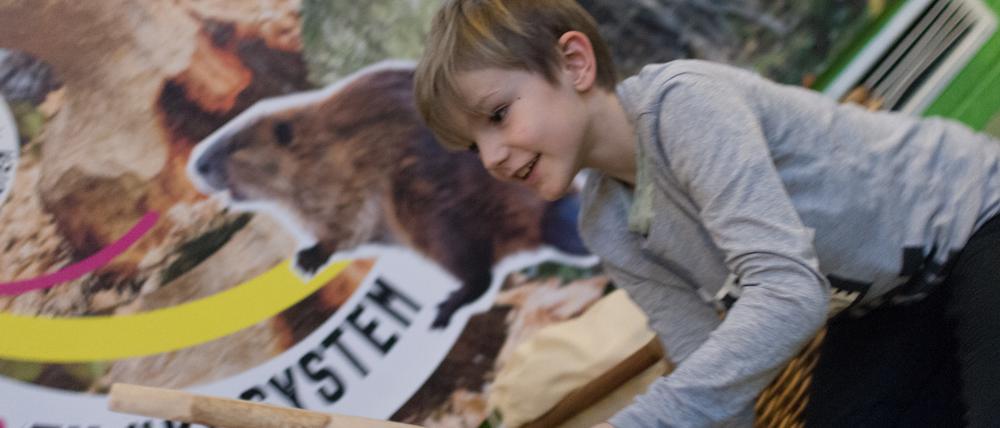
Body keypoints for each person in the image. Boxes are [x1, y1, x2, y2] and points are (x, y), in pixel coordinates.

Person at [412, 0, 1000, 426]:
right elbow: (708, 373)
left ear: (574, 63)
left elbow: (789, 291)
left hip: (977, 218)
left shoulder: (684, 105)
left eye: (496, 116)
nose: (490, 156)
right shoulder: (607, 223)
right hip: (889, 303)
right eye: (471, 147)